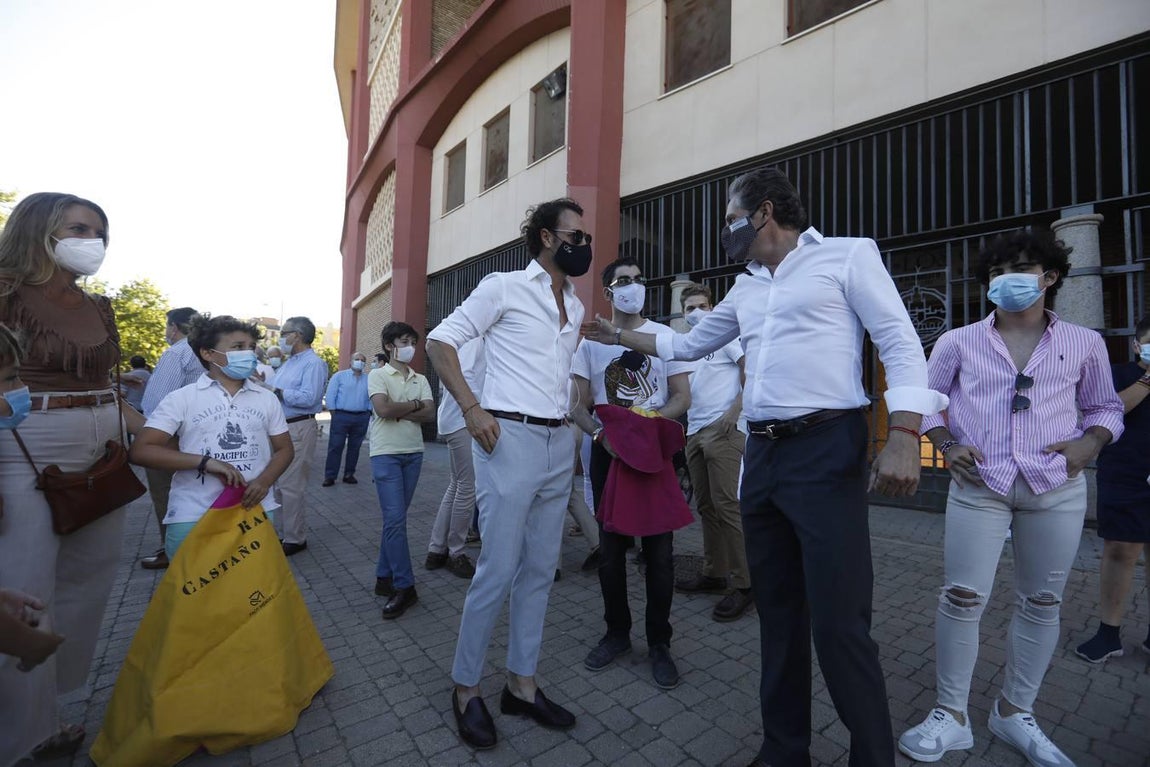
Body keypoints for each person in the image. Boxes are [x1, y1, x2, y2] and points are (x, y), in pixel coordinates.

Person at [582, 168, 947, 767]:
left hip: (828, 447)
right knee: (778, 614)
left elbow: (900, 343)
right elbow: (690, 345)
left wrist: (906, 431)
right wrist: (620, 333)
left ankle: (873, 755)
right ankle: (784, 750)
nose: (726, 229)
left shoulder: (848, 257)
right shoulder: (747, 288)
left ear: (764, 213)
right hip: (765, 454)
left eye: (730, 216)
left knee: (839, 621)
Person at [898, 230, 1124, 766]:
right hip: (981, 487)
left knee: (1042, 603)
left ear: (1049, 277)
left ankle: (1014, 710)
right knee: (960, 597)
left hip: (1056, 486)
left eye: (1022, 268)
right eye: (998, 272)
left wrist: (1089, 443)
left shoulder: (1084, 343)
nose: (1009, 280)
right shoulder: (957, 341)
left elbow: (1105, 408)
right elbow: (926, 402)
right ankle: (951, 716)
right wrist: (945, 444)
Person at [426, 198, 589, 750]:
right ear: (547, 238)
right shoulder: (501, 286)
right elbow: (440, 341)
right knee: (497, 568)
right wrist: (472, 408)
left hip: (557, 439)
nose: (582, 243)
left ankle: (521, 684)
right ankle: (466, 688)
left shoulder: (577, 303)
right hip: (508, 437)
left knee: (541, 568)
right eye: (575, 234)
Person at [0, 192, 145, 765]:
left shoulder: (99, 305)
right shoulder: (4, 292)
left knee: (89, 584)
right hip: (23, 446)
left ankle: (46, 712)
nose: (94, 241)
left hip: (104, 446)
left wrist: (146, 431)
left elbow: (108, 383)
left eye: (100, 231)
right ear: (39, 229)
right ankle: (17, 739)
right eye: (79, 228)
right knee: (25, 593)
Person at [569, 256, 692, 690]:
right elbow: (577, 406)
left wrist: (652, 420)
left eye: (639, 279)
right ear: (608, 291)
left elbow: (681, 396)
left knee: (660, 556)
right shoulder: (589, 344)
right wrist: (602, 436)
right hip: (609, 456)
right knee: (611, 552)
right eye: (623, 280)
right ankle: (616, 633)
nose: (632, 286)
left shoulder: (664, 337)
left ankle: (660, 642)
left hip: (655, 454)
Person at [128, 315, 293, 558]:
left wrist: (264, 481)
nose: (248, 353)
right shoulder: (182, 398)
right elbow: (142, 450)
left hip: (253, 510)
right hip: (194, 514)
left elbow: (285, 449)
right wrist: (206, 462)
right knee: (195, 593)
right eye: (237, 347)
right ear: (208, 353)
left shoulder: (265, 398)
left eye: (250, 347)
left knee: (250, 592)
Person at [674, 282, 752, 622]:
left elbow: (751, 369)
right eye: (689, 308)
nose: (696, 313)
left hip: (723, 432)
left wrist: (734, 413)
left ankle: (746, 583)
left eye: (702, 305)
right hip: (694, 432)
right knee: (706, 507)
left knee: (728, 507)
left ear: (713, 306)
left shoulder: (726, 336)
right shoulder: (689, 346)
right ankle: (715, 572)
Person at [1077, 314, 1150, 663]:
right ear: (1138, 344)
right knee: (1120, 552)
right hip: (1125, 476)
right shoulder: (1118, 374)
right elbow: (1111, 411)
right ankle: (1109, 633)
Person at [368, 322, 435, 618]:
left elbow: (430, 413)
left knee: (395, 520)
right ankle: (405, 586)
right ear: (389, 346)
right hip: (386, 454)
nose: (409, 346)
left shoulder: (420, 378)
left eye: (412, 340)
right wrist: (414, 407)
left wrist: (402, 408)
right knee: (395, 520)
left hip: (414, 453)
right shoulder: (378, 375)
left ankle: (384, 576)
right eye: (403, 340)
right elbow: (382, 410)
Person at [138, 306, 202, 570]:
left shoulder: (177, 353)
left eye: (167, 327)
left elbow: (156, 404)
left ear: (174, 327)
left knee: (166, 495)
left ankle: (172, 549)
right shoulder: (204, 351)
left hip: (168, 439)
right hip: (197, 436)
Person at [427, 336, 485, 579]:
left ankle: (437, 548)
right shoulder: (474, 339)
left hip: (456, 419)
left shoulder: (471, 338)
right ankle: (456, 551)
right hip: (463, 419)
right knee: (466, 487)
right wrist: (481, 410)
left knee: (457, 485)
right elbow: (468, 376)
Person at [270, 316, 328, 556]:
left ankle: (295, 538)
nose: (281, 337)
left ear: (298, 335)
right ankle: (283, 532)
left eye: (285, 332)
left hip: (298, 427)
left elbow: (309, 398)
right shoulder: (289, 363)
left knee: (291, 485)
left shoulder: (313, 364)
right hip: (280, 428)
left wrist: (277, 391)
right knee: (278, 484)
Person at [322, 352, 372, 486]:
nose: (359, 362)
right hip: (341, 416)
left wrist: (368, 411)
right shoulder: (339, 376)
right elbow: (331, 395)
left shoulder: (368, 379)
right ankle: (330, 476)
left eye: (362, 360)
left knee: (354, 448)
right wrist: (334, 413)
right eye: (357, 359)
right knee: (335, 446)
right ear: (350, 361)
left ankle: (349, 474)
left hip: (361, 417)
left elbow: (371, 397)